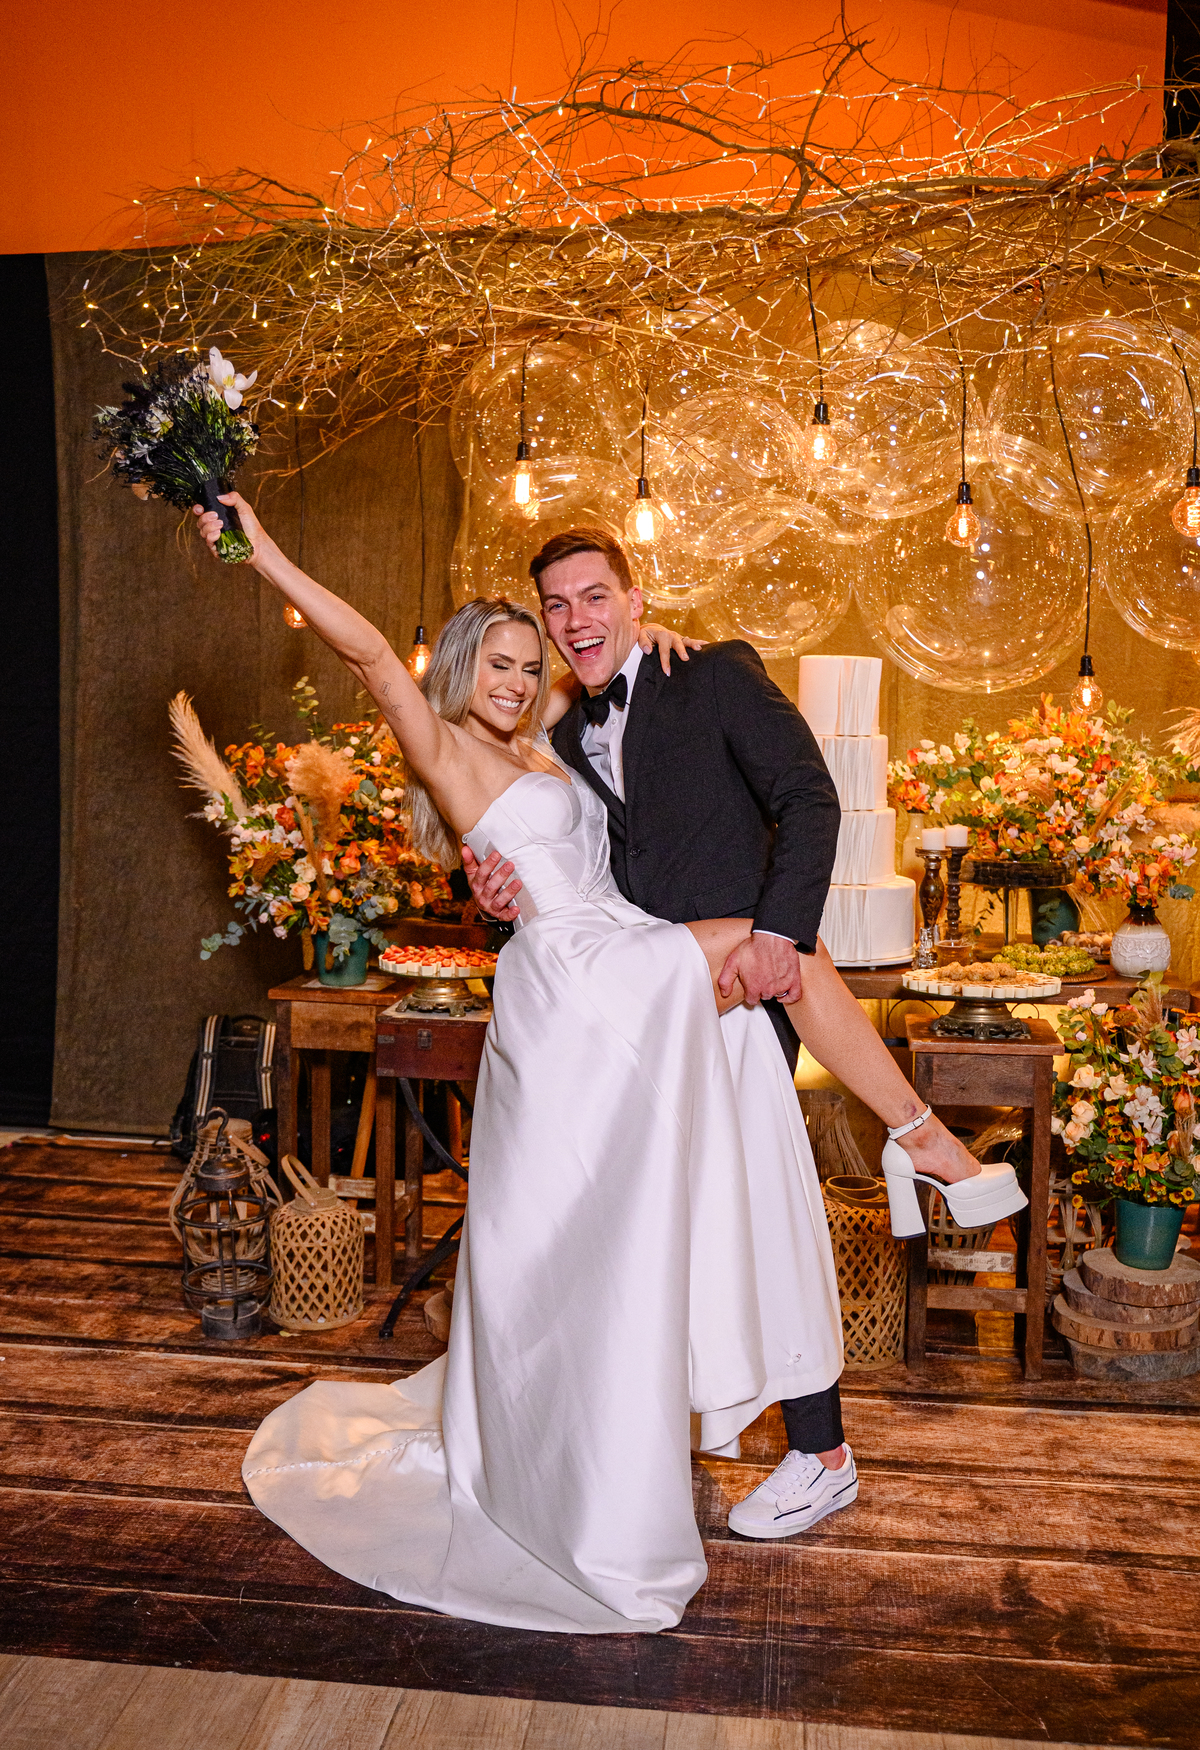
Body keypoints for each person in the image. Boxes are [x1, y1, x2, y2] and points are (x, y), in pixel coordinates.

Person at [193, 490, 853, 1632]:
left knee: (614, 1221)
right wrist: (263, 555)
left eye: (527, 659)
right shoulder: (445, 744)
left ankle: (681, 1405)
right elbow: (366, 652)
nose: (514, 678)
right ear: (459, 671)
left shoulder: (544, 737)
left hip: (616, 956)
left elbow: (611, 670)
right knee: (773, 947)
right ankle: (917, 1150)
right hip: (575, 982)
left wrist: (652, 634)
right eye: (494, 662)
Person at [462, 525, 1026, 1539]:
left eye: (595, 596)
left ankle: (821, 1450)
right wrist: (494, 896)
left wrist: (776, 933)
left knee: (758, 1211)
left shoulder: (712, 673)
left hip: (732, 986)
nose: (577, 619)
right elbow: (565, 872)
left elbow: (809, 797)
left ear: (635, 599)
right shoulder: (559, 735)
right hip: (634, 1000)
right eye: (558, 605)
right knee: (676, 1228)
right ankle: (635, 1437)